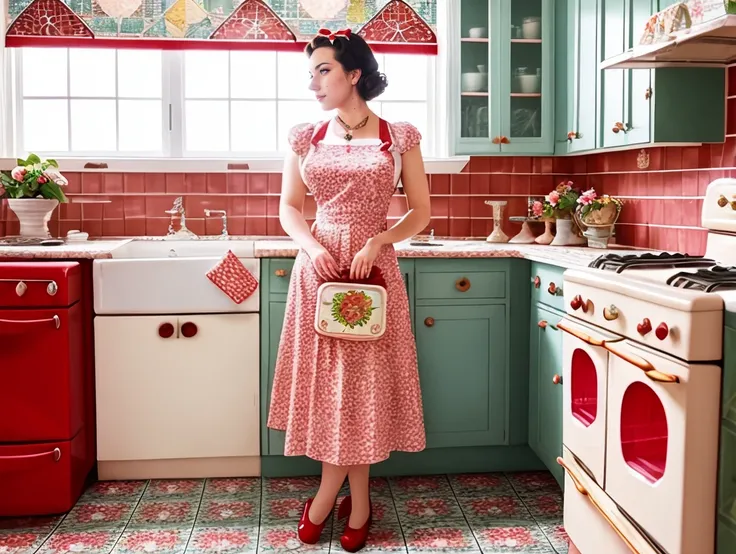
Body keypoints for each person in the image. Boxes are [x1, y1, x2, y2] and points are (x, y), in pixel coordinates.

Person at [266, 27, 430, 553]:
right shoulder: (305, 137)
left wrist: (380, 238)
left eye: (323, 71)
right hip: (319, 270)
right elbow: (290, 208)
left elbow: (421, 212)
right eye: (310, 73)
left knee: (361, 391)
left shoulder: (398, 135)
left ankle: (324, 500)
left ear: (353, 74)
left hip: (372, 271)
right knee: (332, 392)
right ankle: (357, 504)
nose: (313, 83)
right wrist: (313, 249)